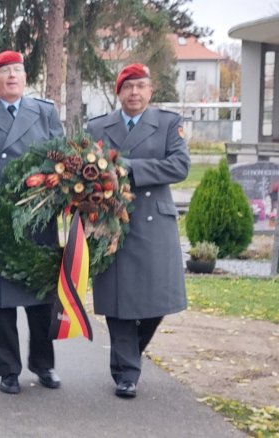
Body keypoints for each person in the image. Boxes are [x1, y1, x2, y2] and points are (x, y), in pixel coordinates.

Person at [86, 63, 190, 399]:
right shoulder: (98, 126)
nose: (135, 93)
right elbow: (84, 170)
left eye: (141, 86)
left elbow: (180, 166)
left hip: (154, 222)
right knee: (117, 301)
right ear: (119, 92)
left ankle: (129, 354)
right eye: (128, 87)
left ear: (150, 90)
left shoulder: (169, 123)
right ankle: (126, 373)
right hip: (111, 224)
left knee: (156, 301)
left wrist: (130, 168)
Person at [0, 50, 65, 395]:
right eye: (4, 71)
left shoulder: (46, 112)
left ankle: (43, 364)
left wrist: (40, 195)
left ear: (25, 78)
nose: (12, 77)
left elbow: (60, 157)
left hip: (37, 218)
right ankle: (8, 370)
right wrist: (0, 197)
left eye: (17, 71)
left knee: (40, 299)